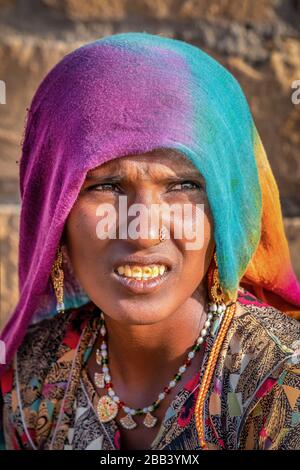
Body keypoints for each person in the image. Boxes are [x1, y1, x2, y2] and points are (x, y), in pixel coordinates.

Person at [0, 32, 300, 451]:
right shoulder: (34, 371)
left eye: (182, 185)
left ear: (227, 211)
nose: (142, 231)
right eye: (106, 186)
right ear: (56, 211)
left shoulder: (282, 380)